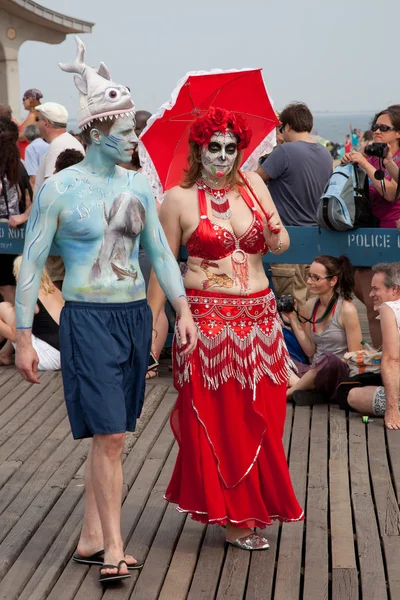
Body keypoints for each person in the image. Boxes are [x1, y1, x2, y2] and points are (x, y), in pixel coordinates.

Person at [14, 37, 196, 584]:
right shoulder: (61, 190)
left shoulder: (140, 186)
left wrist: (180, 312)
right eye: (124, 133)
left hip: (134, 317)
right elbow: (30, 265)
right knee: (113, 436)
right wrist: (23, 336)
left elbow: (161, 254)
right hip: (87, 318)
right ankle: (115, 547)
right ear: (96, 133)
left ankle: (92, 535)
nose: (133, 140)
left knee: (112, 434)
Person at [148, 106, 304, 550]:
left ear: (241, 150)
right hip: (208, 327)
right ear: (199, 149)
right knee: (224, 423)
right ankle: (236, 517)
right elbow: (163, 270)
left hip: (261, 322)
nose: (222, 156)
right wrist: (154, 336)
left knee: (267, 418)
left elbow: (281, 241)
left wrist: (275, 231)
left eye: (231, 148)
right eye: (213, 147)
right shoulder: (177, 199)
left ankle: (255, 503)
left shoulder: (254, 184)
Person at [256, 102, 333, 306]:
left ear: (287, 127)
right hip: (315, 240)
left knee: (290, 310)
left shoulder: (286, 152)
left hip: (287, 240)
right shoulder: (325, 153)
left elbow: (254, 181)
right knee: (311, 308)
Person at [342, 106, 400, 347]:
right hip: (370, 231)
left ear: (397, 133)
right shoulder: (374, 157)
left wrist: (366, 164)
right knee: (371, 305)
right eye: (375, 126)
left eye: (383, 128)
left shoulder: (393, 160)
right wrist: (352, 162)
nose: (376, 131)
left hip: (391, 233)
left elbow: (389, 193)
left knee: (389, 303)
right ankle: (379, 357)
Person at [284, 255, 362, 404]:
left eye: (316, 278)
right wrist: (293, 318)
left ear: (333, 281)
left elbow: (355, 355)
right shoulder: (310, 305)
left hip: (336, 373)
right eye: (309, 276)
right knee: (277, 354)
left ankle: (292, 391)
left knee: (327, 359)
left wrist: (323, 365)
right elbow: (310, 351)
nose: (309, 282)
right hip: (313, 371)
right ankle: (309, 389)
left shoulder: (347, 310)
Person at [348, 263, 400, 430]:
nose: (370, 294)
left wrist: (391, 410)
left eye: (376, 289)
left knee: (352, 395)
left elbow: (392, 359)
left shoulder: (389, 308)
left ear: (394, 289)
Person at [0, 256, 63, 369]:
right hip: (65, 355)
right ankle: (3, 354)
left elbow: (16, 335)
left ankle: (3, 354)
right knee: (10, 310)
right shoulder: (55, 290)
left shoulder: (27, 293)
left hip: (48, 358)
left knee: (3, 308)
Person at [0, 117, 31, 303]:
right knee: (12, 284)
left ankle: (12, 329)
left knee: (6, 287)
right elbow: (26, 194)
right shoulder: (19, 164)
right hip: (15, 231)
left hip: (4, 230)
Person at [34, 102, 85, 195]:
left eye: (37, 119)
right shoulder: (67, 141)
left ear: (46, 123)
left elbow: (49, 189)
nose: (36, 123)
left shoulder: (58, 146)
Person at [18, 89, 43, 159]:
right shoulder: (34, 114)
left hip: (26, 152)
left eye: (24, 99)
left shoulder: (32, 116)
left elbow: (22, 136)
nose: (23, 102)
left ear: (31, 99)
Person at [24, 123, 49, 188]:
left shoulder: (30, 148)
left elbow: (33, 175)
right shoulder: (49, 146)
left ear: (27, 136)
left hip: (39, 185)